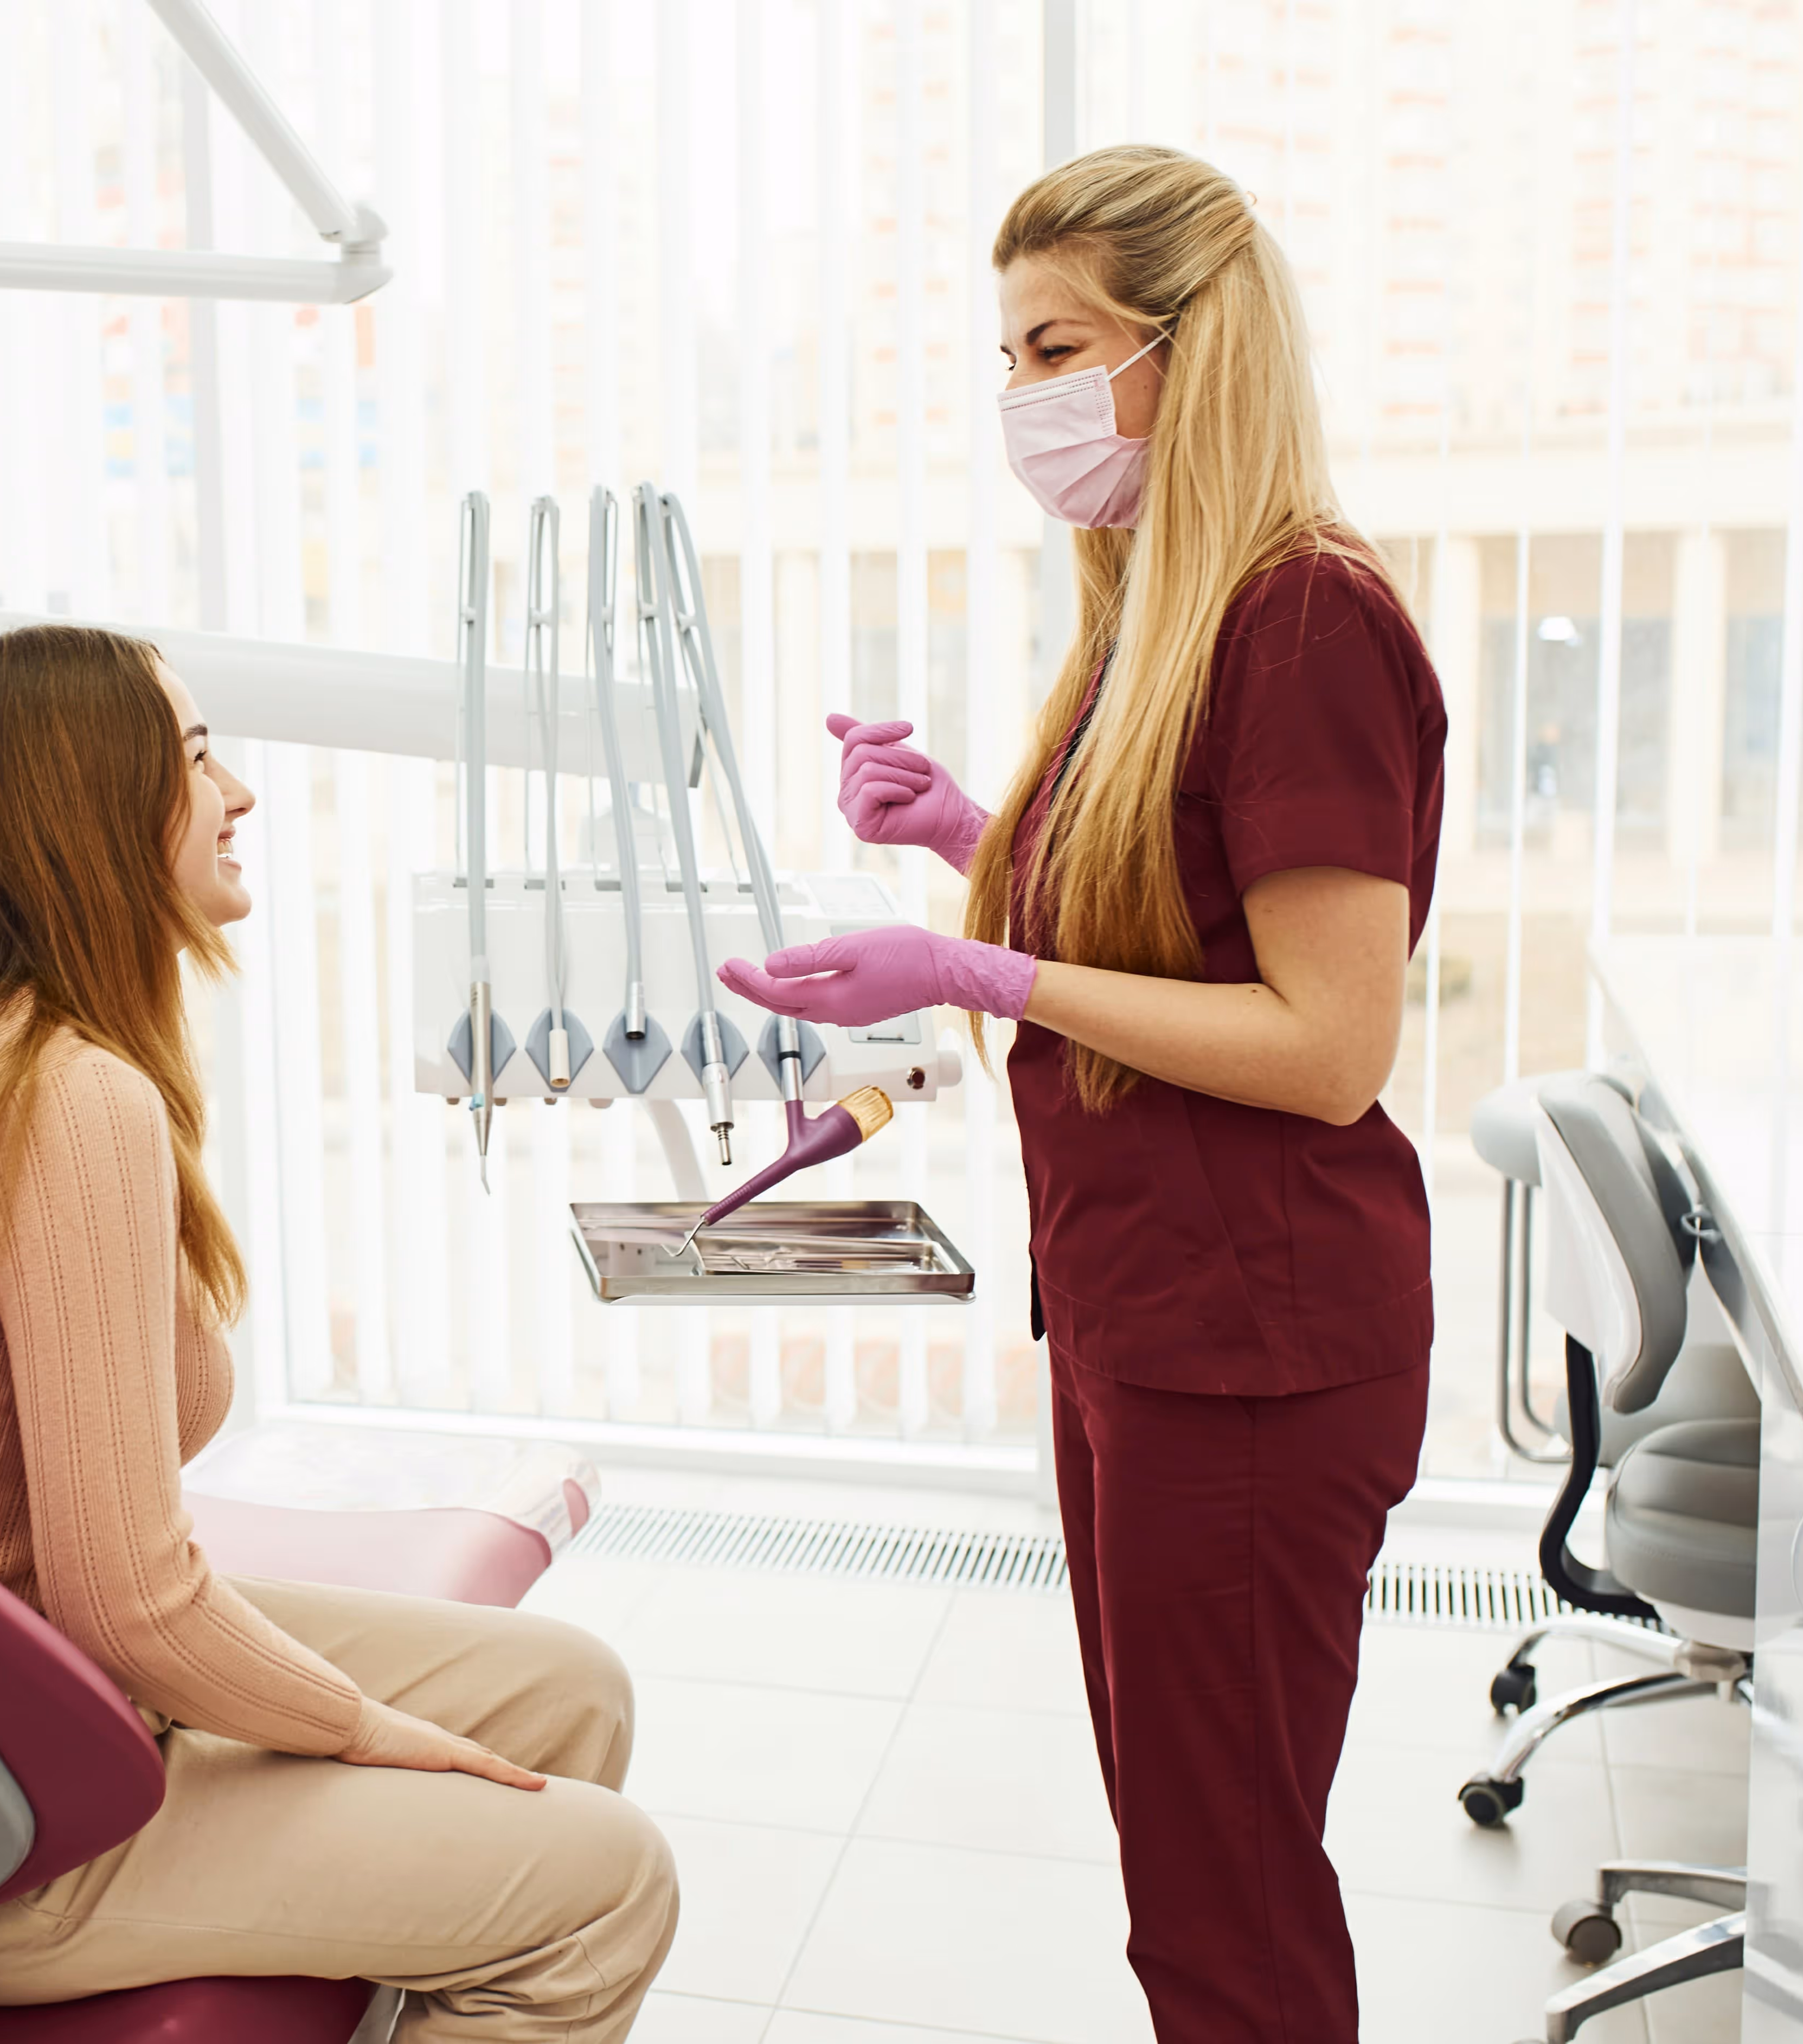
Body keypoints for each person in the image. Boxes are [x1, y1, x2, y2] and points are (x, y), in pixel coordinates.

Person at [0, 624, 677, 2041]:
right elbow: (129, 1602)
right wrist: (347, 1727)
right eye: (199, 755)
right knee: (612, 1884)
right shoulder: (70, 1099)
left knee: (565, 1688)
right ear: (90, 807)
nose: (240, 792)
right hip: (1, 1833)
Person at [722, 145, 1446, 2042]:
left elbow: (1326, 1046)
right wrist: (965, 828)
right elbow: (1174, 926)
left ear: (1187, 350)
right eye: (1007, 358)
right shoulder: (1158, 615)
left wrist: (973, 965)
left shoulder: (1302, 622)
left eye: (1057, 348)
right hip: (1139, 1318)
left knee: (1223, 1901)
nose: (1022, 402)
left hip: (1257, 1347)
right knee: (1180, 1863)